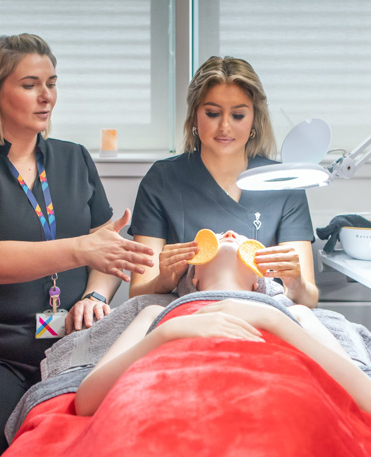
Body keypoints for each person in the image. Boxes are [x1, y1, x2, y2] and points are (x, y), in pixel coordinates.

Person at [0, 33, 155, 457]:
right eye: (31, 83)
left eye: (52, 82)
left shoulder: (74, 159)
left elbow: (104, 247)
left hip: (75, 347)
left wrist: (94, 291)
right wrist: (80, 247)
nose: (47, 95)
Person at [75, 230, 371, 417]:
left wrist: (270, 316)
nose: (230, 233)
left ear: (260, 283)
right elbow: (86, 401)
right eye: (217, 236)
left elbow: (365, 398)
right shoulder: (156, 313)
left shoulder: (294, 314)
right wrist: (167, 332)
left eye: (242, 238)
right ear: (192, 278)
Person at [128, 56, 319, 306]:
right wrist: (164, 280)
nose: (225, 126)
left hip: (262, 320)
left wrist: (296, 284)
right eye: (212, 113)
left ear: (254, 120)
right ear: (195, 117)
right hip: (186, 320)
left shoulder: (282, 183)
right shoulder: (163, 180)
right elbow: (138, 293)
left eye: (238, 115)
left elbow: (309, 299)